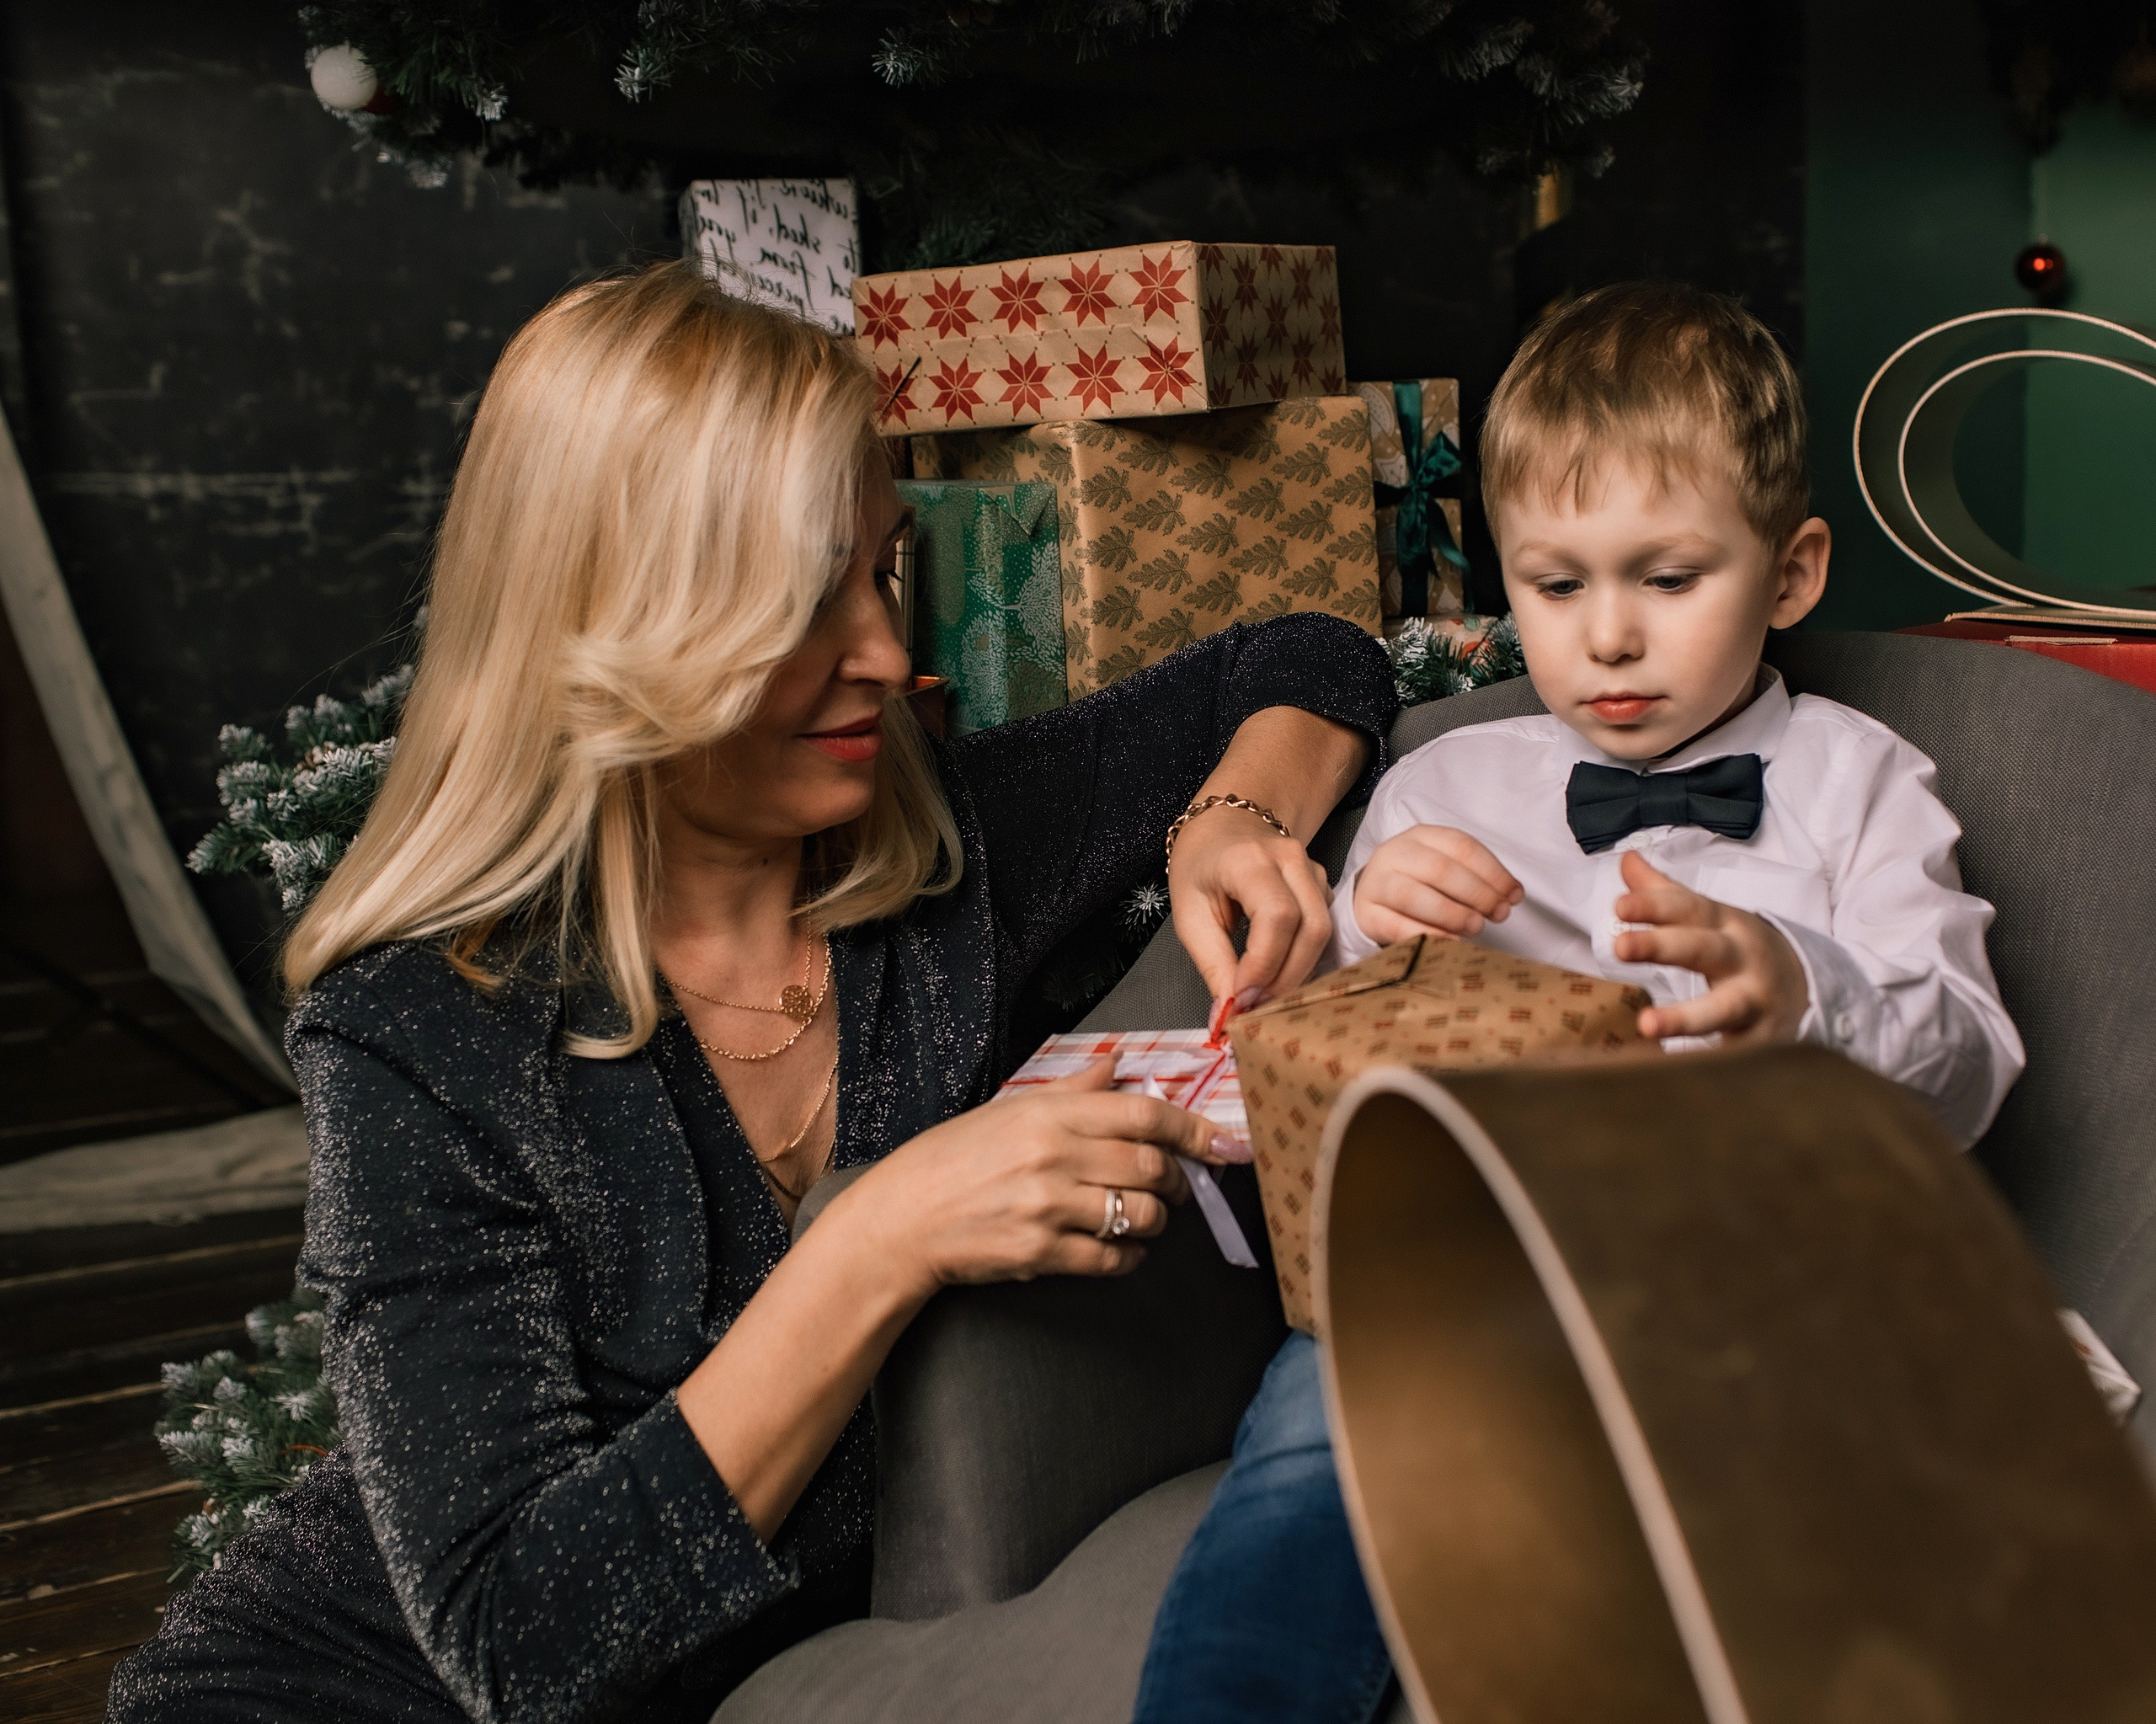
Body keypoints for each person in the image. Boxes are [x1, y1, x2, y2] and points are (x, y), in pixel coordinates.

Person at [108, 261, 1396, 1724]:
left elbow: (1308, 653)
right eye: (804, 602)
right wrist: (883, 1235)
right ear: (624, 625)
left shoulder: (945, 858)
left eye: (881, 570)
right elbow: (519, 1641)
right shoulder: (418, 1033)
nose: (889, 656)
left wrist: (1233, 817)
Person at [1129, 280, 2025, 1724]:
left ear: (1791, 575)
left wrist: (1801, 986)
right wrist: (1365, 921)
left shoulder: (1862, 783)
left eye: (1667, 581)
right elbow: (1328, 1084)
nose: (1607, 637)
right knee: (1307, 1464)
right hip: (1454, 1278)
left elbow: (1974, 1062)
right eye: (1557, 585)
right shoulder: (1440, 786)